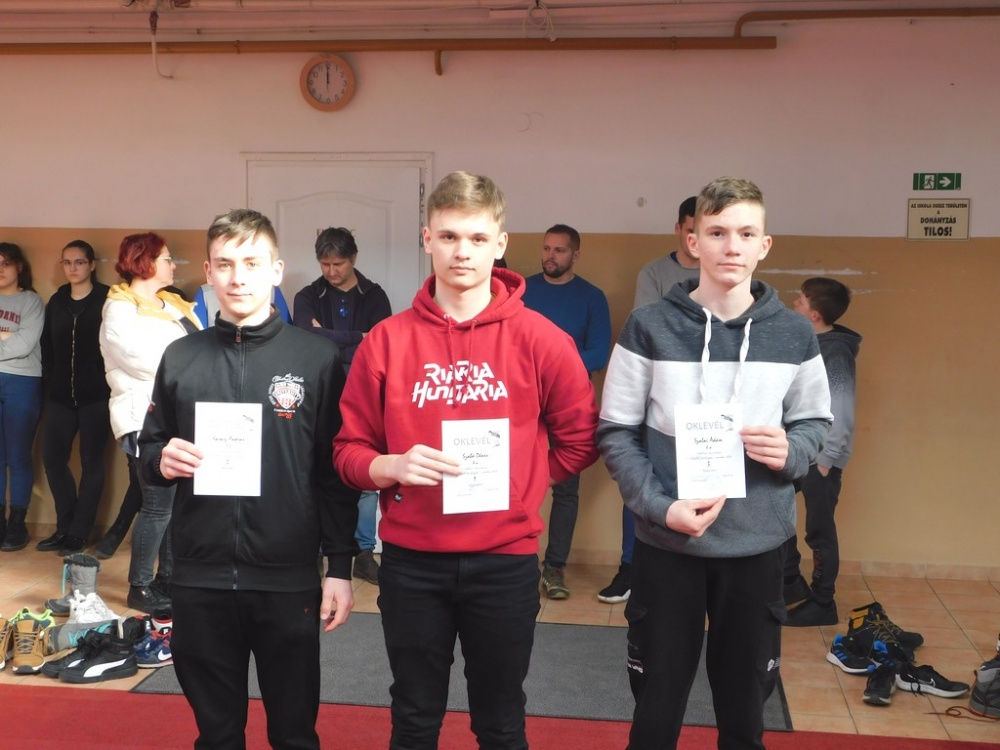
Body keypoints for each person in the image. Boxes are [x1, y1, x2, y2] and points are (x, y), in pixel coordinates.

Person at [333, 171, 599, 749]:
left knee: (501, 721)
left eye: (477, 238)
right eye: (450, 236)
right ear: (427, 238)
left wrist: (523, 484)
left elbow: (581, 439)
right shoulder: (386, 340)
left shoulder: (543, 339)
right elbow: (348, 451)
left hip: (503, 561)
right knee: (414, 717)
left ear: (500, 243)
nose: (462, 252)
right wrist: (391, 467)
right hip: (411, 562)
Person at [597, 177, 832, 750]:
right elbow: (616, 431)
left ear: (764, 245)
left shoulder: (795, 333)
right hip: (668, 544)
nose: (732, 246)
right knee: (655, 714)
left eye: (746, 234)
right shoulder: (648, 326)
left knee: (745, 716)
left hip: (757, 547)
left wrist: (793, 452)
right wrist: (660, 508)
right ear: (693, 240)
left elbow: (814, 422)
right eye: (718, 232)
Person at [138, 208, 358, 750]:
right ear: (208, 273)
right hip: (200, 576)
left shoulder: (317, 358)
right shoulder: (180, 357)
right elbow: (149, 450)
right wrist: (160, 460)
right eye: (225, 264)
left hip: (287, 577)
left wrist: (340, 566)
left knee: (294, 733)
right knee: (217, 735)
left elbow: (333, 473)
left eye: (253, 263)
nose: (238, 277)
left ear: (276, 270)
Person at [599, 196, 700, 604]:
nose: (698, 240)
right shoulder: (655, 273)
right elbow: (650, 330)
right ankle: (630, 567)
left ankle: (692, 572)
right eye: (691, 230)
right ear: (679, 229)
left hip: (708, 406)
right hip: (657, 397)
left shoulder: (722, 272)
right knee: (641, 482)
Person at [99, 232, 201, 612]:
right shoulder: (120, 307)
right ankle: (139, 587)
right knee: (157, 506)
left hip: (179, 416)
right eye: (167, 258)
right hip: (142, 416)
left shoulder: (173, 303)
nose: (173, 265)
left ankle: (168, 580)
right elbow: (144, 361)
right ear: (144, 261)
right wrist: (194, 367)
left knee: (175, 506)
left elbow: (201, 348)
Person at [294, 226, 392, 585]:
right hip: (318, 397)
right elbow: (306, 339)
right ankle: (317, 552)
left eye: (338, 264)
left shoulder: (374, 296)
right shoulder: (308, 295)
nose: (332, 271)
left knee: (366, 477)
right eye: (325, 264)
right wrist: (356, 338)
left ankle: (363, 553)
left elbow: (380, 345)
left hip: (365, 396)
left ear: (353, 259)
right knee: (317, 473)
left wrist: (329, 338)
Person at [522, 223, 610, 599]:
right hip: (523, 401)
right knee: (514, 480)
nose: (550, 256)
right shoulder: (522, 291)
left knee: (565, 488)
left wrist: (553, 371)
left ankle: (554, 567)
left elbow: (599, 353)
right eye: (546, 248)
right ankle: (517, 562)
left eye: (559, 250)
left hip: (568, 404)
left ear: (575, 255)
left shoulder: (592, 297)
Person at [783, 277, 861, 627]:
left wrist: (828, 459)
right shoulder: (808, 343)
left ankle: (823, 602)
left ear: (814, 314)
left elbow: (841, 409)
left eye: (800, 300)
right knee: (774, 511)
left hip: (822, 458)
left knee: (819, 531)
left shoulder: (835, 353)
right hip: (799, 450)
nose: (794, 304)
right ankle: (790, 582)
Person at [37, 240, 111, 555]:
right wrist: (49, 384)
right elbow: (47, 348)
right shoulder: (57, 301)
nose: (73, 268)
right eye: (67, 262)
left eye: (79, 262)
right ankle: (64, 527)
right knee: (53, 459)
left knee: (93, 462)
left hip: (96, 397)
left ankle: (80, 533)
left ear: (92, 265)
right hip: (59, 398)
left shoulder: (108, 299)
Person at [0, 242, 44, 552]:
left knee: (18, 456)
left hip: (23, 381)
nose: (0, 270)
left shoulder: (31, 301)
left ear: (18, 267)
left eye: (5, 263)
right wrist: (8, 335)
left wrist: (11, 338)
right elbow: (13, 341)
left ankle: (17, 523)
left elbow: (24, 345)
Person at [193, 281, 291, 327]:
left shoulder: (272, 291)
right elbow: (196, 341)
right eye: (226, 265)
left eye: (251, 264)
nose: (238, 278)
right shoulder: (206, 294)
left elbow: (286, 335)